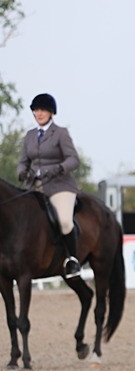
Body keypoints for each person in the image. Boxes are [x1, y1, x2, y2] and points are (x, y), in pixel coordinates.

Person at [17, 93, 83, 278]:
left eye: (43, 110)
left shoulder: (60, 133)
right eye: (36, 110)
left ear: (51, 112)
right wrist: (21, 172)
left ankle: (72, 260)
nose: (39, 113)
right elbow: (23, 161)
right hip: (33, 186)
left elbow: (73, 159)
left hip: (59, 185)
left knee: (64, 220)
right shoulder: (30, 135)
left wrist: (58, 168)